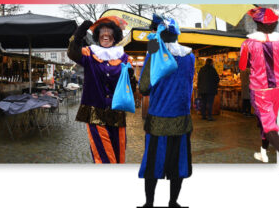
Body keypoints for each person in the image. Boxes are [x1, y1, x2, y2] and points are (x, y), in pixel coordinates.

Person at [138, 14, 194, 207]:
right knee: (178, 163)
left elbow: (144, 87)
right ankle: (173, 202)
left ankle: (149, 204)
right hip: (182, 119)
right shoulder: (190, 56)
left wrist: (151, 50)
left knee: (153, 162)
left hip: (159, 119)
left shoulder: (154, 53)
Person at [67, 16, 134, 164]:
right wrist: (79, 33)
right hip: (95, 112)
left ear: (115, 35)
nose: (105, 34)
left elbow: (131, 88)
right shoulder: (89, 53)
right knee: (104, 156)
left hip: (117, 113)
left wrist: (131, 77)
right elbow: (72, 53)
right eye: (102, 31)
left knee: (118, 154)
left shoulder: (124, 58)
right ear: (98, 35)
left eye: (109, 31)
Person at [239, 7, 279, 175]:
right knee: (269, 120)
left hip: (260, 87)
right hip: (278, 87)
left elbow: (242, 66)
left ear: (257, 23)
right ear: (275, 23)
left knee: (267, 123)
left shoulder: (248, 44)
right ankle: (263, 154)